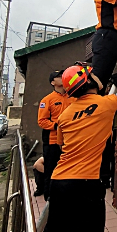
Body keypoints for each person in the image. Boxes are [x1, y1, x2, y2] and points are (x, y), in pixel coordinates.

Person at [39, 64, 117, 232]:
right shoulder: (107, 103)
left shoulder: (65, 115)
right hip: (86, 184)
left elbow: (62, 145)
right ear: (88, 81)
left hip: (60, 182)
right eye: (93, 75)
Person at [38, 70, 73, 200]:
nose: (62, 78)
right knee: (51, 169)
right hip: (52, 141)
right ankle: (49, 196)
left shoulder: (73, 97)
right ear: (53, 82)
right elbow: (42, 121)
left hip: (70, 140)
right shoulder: (47, 100)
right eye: (58, 77)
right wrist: (57, 126)